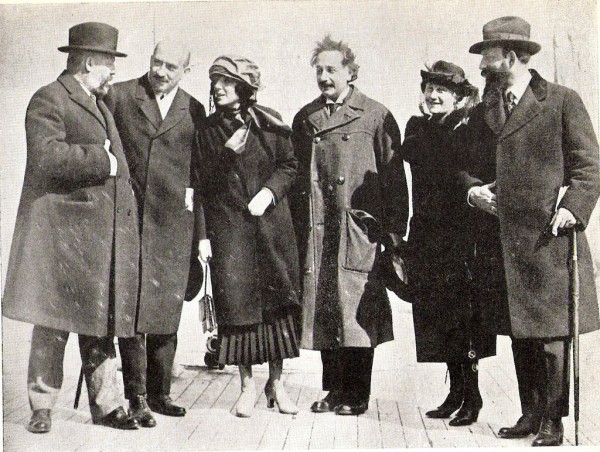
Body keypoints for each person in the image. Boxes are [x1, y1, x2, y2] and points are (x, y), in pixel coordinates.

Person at [460, 16, 600, 446]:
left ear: (512, 56)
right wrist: (473, 192)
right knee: (521, 331)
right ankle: (530, 412)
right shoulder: (485, 109)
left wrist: (572, 209)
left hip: (548, 238)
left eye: (488, 54)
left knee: (551, 336)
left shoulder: (560, 101)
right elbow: (466, 167)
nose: (482, 62)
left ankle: (554, 420)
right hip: (502, 240)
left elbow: (589, 167)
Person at [2, 22, 141, 432]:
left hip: (95, 239)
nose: (113, 72)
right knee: (53, 322)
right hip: (61, 236)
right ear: (88, 62)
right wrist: (104, 161)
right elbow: (45, 157)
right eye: (109, 63)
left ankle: (108, 406)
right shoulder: (49, 99)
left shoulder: (100, 103)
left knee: (99, 323)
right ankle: (41, 407)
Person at [290, 36, 409, 416]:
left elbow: (394, 178)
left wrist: (393, 231)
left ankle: (356, 394)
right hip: (320, 228)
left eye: (332, 70)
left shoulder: (375, 115)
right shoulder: (305, 118)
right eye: (319, 70)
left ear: (350, 72)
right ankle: (333, 389)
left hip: (358, 230)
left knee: (357, 312)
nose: (324, 77)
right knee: (326, 308)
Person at [107, 40, 206, 426]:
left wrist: (200, 235)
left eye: (170, 66)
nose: (160, 72)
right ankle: (137, 397)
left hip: (173, 228)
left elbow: (198, 177)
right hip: (130, 221)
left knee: (167, 310)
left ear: (185, 70)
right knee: (132, 312)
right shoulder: (120, 96)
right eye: (156, 62)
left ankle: (161, 392)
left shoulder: (194, 109)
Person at [196, 55, 301, 418]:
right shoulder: (207, 131)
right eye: (215, 82)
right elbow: (202, 184)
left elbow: (290, 165)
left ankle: (277, 384)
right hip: (231, 233)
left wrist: (269, 192)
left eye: (226, 81)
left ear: (245, 87)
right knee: (237, 311)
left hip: (272, 230)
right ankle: (246, 387)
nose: (218, 88)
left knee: (277, 312)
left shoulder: (270, 122)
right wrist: (226, 154)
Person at [401, 61, 496, 426]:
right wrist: (440, 127)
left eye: (442, 89)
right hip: (427, 235)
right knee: (438, 318)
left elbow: (470, 172)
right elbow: (414, 153)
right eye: (429, 88)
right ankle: (454, 392)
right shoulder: (419, 127)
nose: (433, 95)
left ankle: (472, 397)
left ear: (458, 95)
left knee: (464, 319)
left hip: (462, 237)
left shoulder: (471, 127)